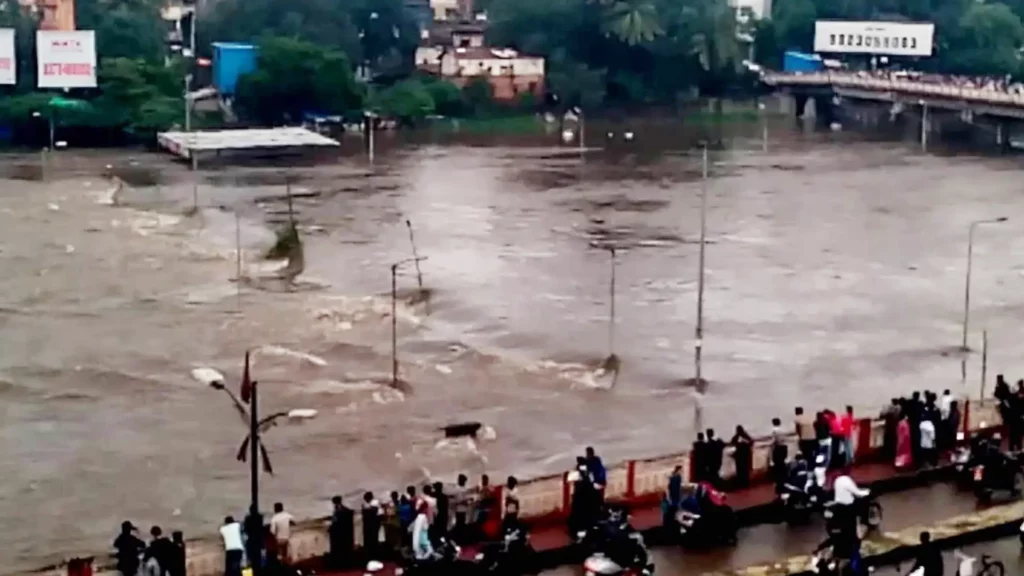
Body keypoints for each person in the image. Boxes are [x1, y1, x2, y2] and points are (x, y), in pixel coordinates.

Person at [832, 467, 870, 537]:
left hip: (838, 503)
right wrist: (867, 492)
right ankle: (858, 532)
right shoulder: (847, 480)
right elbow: (857, 492)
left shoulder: (837, 480)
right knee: (859, 511)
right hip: (848, 504)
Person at [329, 495, 354, 568]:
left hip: (341, 533)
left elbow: (338, 520)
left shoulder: (341, 510)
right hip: (339, 531)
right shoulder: (340, 509)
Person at [361, 492, 382, 561]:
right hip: (369, 524)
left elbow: (374, 510)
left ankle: (375, 555)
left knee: (374, 540)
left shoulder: (375, 502)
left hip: (374, 523)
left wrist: (366, 509)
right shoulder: (367, 503)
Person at [770, 417, 789, 493]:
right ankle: (784, 477)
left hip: (778, 447)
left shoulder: (774, 430)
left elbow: (774, 440)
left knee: (777, 464)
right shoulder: (783, 430)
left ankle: (778, 479)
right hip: (784, 447)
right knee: (783, 463)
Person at [451, 474, 471, 541]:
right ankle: (458, 538)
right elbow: (453, 501)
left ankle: (461, 538)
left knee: (462, 525)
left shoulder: (464, 489)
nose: (464, 482)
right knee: (459, 525)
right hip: (459, 510)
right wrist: (462, 502)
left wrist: (468, 501)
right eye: (462, 481)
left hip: (464, 510)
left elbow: (466, 498)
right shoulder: (456, 489)